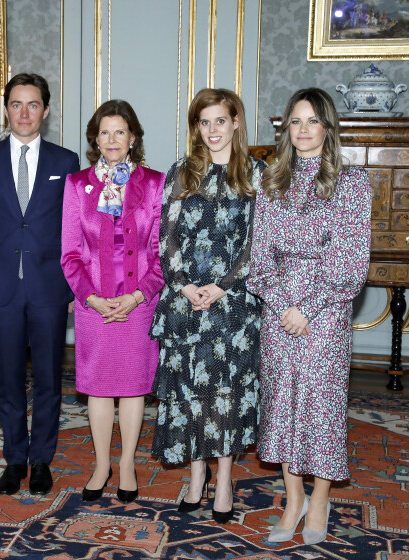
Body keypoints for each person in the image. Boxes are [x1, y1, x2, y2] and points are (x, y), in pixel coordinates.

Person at [246, 87, 371, 544]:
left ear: (327, 127)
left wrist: (310, 308)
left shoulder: (352, 183)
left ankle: (320, 499)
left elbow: (351, 261)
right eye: (294, 122)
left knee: (320, 405)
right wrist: (282, 305)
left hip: (327, 311)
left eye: (312, 121)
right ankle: (292, 499)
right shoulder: (268, 181)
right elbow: (259, 258)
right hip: (278, 310)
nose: (302, 130)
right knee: (280, 403)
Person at [150, 88, 266, 524]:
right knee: (187, 394)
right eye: (205, 122)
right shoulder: (181, 173)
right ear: (196, 127)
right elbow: (167, 237)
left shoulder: (257, 175)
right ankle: (196, 476)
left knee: (225, 397)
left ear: (236, 121)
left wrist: (220, 286)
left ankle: (223, 479)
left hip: (232, 306)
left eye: (221, 120)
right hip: (184, 304)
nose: (213, 130)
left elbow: (259, 242)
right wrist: (183, 286)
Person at [0, 73, 80, 496]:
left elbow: (74, 229)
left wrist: (72, 287)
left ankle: (41, 460)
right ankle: (14, 459)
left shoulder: (66, 162)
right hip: (0, 288)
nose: (24, 112)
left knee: (48, 379)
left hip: (51, 289)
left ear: (46, 111)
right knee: (8, 379)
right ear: (6, 109)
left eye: (33, 105)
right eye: (16, 104)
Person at [61, 100, 164, 504]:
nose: (112, 139)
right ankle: (102, 463)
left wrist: (137, 296)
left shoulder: (155, 184)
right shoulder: (76, 185)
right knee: (100, 388)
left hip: (138, 303)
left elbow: (160, 253)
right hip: (93, 306)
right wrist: (91, 298)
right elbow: (70, 253)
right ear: (95, 139)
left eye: (119, 131)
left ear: (133, 137)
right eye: (105, 132)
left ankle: (126, 463)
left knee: (132, 387)